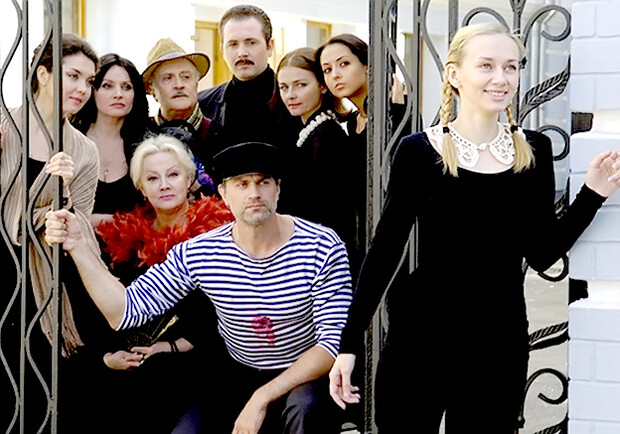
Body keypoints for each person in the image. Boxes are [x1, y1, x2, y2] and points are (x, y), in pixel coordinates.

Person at [328, 23, 620, 433]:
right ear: (455, 74)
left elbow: (542, 253)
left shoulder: (533, 150)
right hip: (420, 339)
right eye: (486, 65)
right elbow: (384, 251)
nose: (501, 78)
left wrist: (592, 194)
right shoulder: (419, 151)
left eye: (511, 67)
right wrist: (348, 346)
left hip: (497, 345)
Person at [45, 141, 352, 433]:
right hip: (238, 371)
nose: (254, 193)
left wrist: (262, 397)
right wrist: (78, 246)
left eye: (263, 182)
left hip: (305, 374)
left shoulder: (321, 245)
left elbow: (330, 344)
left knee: (304, 410)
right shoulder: (200, 252)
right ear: (224, 193)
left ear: (278, 189)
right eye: (242, 184)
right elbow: (124, 311)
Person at [71, 134, 234, 432]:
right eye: (153, 178)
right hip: (133, 364)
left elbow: (226, 315)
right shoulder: (125, 238)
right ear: (141, 188)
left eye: (173, 175)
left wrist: (170, 347)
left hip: (197, 364)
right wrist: (108, 356)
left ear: (189, 180)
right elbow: (101, 308)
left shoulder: (218, 234)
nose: (164, 185)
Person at [0, 33, 99, 432]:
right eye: (73, 76)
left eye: (89, 81)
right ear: (43, 73)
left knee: (37, 392)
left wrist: (64, 199)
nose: (83, 89)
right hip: (1, 268)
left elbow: (82, 229)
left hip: (42, 283)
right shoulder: (4, 126)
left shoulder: (84, 150)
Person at [276, 47, 361, 275]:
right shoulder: (311, 132)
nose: (290, 95)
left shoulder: (327, 137)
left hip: (321, 261)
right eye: (284, 87)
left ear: (322, 85)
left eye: (300, 85)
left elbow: (332, 212)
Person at [198, 5, 300, 178]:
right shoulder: (204, 105)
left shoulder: (295, 100)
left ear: (270, 46)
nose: (242, 53)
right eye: (233, 44)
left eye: (251, 42)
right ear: (222, 50)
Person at [71, 53, 149, 227]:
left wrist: (99, 221)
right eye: (107, 86)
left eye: (127, 87)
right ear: (93, 90)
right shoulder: (69, 140)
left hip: (132, 243)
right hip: (71, 242)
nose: (118, 94)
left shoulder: (146, 146)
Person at [143, 37, 216, 195]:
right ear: (152, 91)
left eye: (186, 77)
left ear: (196, 85)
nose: (179, 85)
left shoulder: (220, 134)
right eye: (168, 78)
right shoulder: (140, 136)